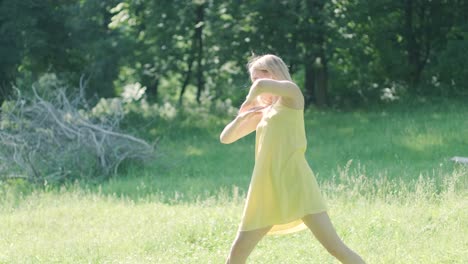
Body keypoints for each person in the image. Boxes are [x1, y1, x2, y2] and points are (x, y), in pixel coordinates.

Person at [220, 54, 365, 264]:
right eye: (251, 81)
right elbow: (226, 138)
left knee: (336, 248)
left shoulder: (292, 95)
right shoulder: (264, 113)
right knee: (237, 254)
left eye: (257, 78)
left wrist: (248, 100)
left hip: (297, 184)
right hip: (266, 188)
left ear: (274, 74)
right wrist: (242, 117)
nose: (255, 85)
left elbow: (261, 85)